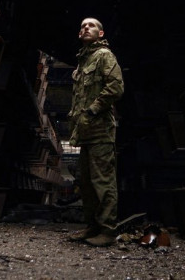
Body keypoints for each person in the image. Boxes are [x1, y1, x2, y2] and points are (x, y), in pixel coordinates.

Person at [67, 17, 124, 246]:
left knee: (102, 180)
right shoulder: (83, 62)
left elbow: (116, 87)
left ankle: (108, 231)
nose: (85, 28)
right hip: (86, 131)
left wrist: (92, 111)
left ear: (101, 34)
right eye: (82, 26)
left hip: (100, 129)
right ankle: (92, 227)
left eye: (91, 25)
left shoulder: (104, 56)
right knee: (87, 181)